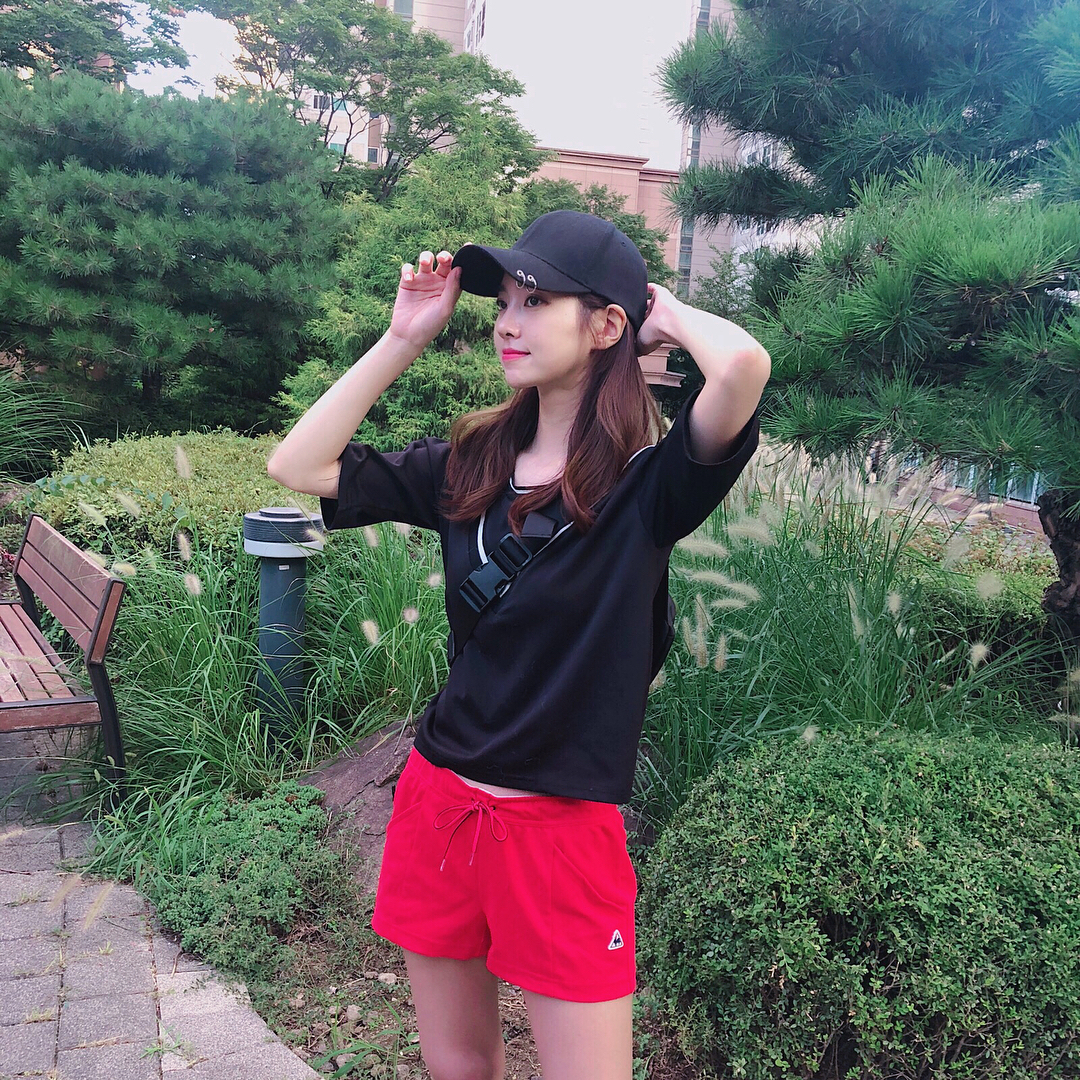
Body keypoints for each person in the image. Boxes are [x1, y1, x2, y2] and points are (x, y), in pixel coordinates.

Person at [267, 210, 770, 1080]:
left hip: (563, 834)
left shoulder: (651, 489)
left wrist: (659, 310)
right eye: (503, 300)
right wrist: (402, 337)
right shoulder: (470, 465)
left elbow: (741, 366)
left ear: (604, 326)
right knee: (459, 1067)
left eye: (537, 301)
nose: (508, 320)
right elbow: (299, 466)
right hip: (439, 805)